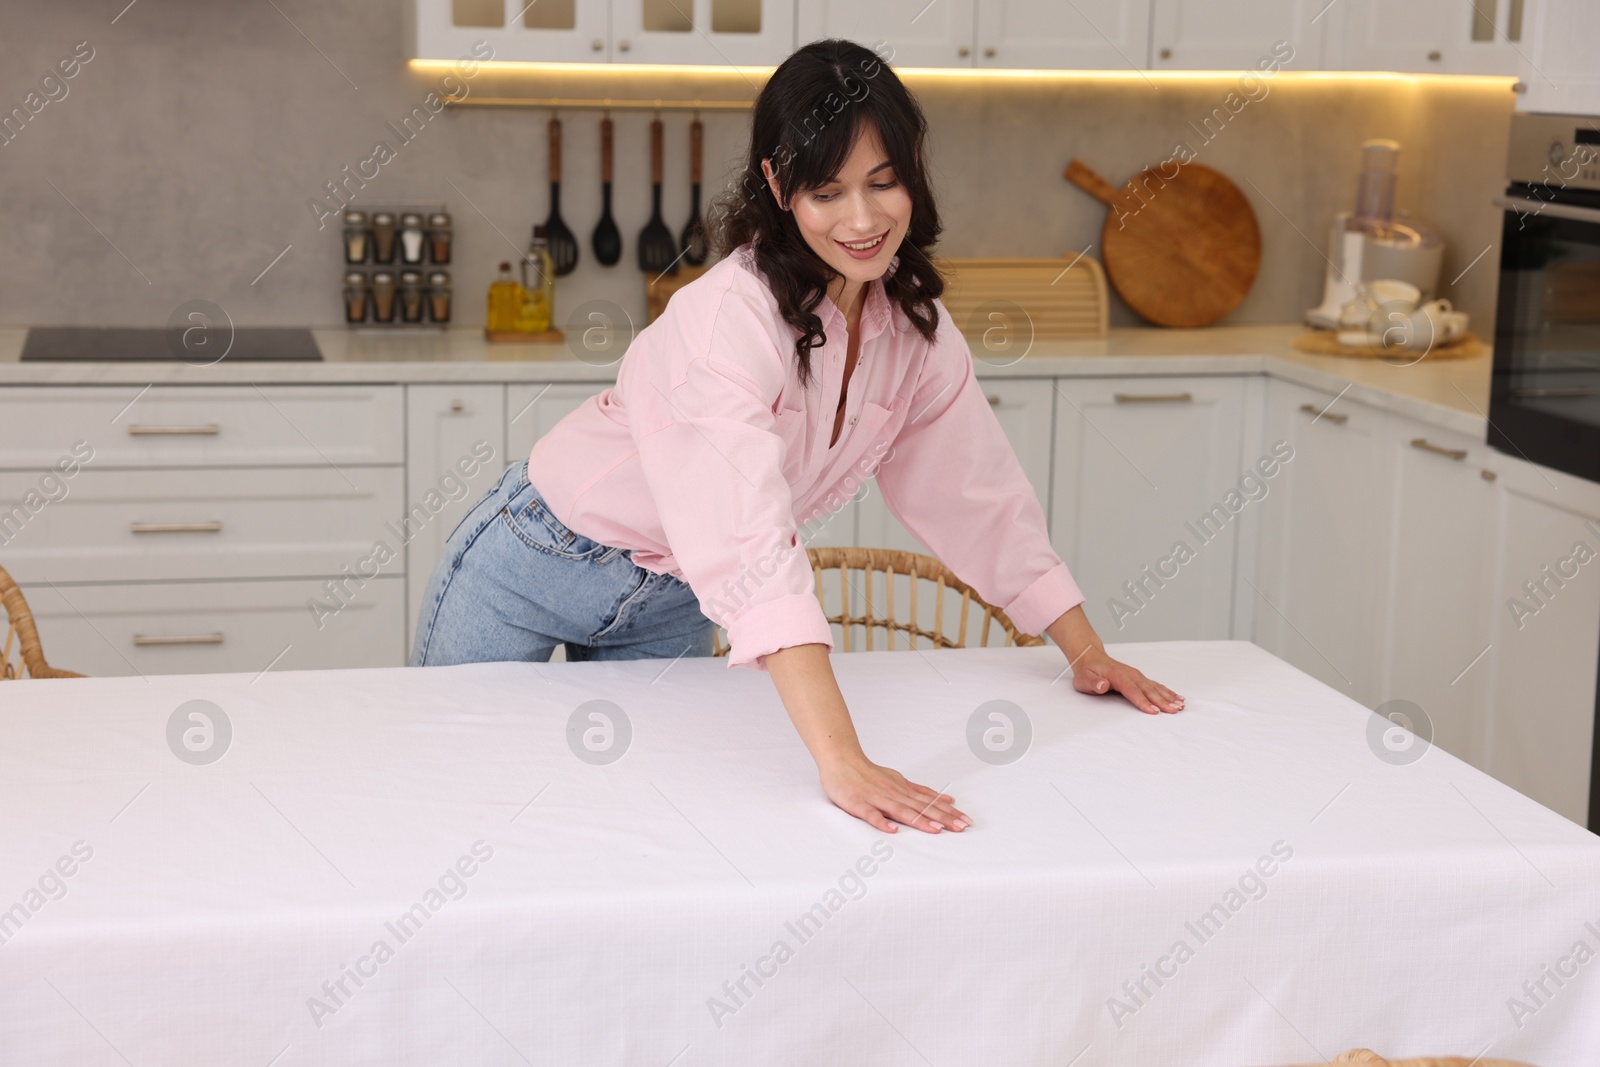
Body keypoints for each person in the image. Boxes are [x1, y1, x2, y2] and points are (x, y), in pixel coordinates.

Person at [411, 37, 1184, 836]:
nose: (863, 219)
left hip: (676, 594)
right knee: (454, 791)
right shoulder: (726, 321)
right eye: (828, 191)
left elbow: (977, 494)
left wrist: (1083, 650)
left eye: (885, 183)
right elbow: (749, 541)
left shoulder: (916, 330)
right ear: (779, 186)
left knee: (639, 821)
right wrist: (842, 757)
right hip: (534, 562)